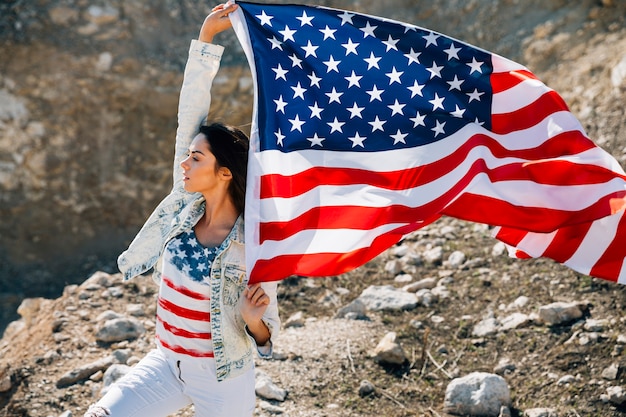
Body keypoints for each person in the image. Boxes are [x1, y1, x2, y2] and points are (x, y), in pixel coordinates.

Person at [85, 3, 280, 416]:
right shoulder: (184, 204)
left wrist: (252, 320)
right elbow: (189, 113)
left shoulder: (254, 242)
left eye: (196, 158)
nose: (184, 164)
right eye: (188, 155)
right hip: (166, 365)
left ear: (225, 173)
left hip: (222, 378)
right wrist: (206, 40)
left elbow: (267, 338)